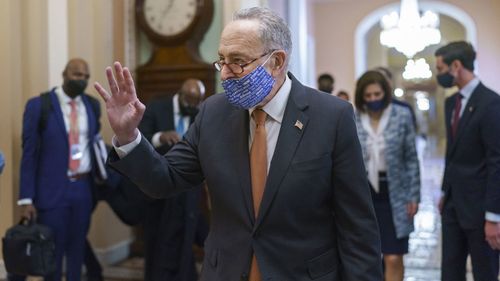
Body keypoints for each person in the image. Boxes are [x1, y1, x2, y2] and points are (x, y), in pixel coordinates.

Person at [95, 7, 382, 281]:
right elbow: (164, 179)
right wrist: (128, 136)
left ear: (277, 61)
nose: (225, 73)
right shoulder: (213, 113)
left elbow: (356, 227)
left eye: (238, 61)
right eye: (222, 60)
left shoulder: (332, 117)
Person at [16, 58, 101, 281]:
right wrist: (26, 199)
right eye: (76, 75)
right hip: (52, 191)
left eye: (85, 76)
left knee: (77, 250)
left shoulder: (92, 106)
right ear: (64, 74)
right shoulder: (39, 106)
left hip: (82, 190)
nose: (81, 80)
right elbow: (29, 154)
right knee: (52, 254)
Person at [435, 41, 500, 281]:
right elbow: (452, 153)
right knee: (450, 272)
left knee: (484, 272)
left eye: (440, 69)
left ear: (456, 66)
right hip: (453, 205)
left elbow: (497, 162)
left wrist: (494, 216)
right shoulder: (451, 102)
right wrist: (444, 191)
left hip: (481, 209)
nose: (438, 75)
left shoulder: (491, 103)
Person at [138, 79, 208, 281]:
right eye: (192, 102)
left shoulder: (201, 113)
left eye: (199, 102)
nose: (195, 106)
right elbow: (139, 139)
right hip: (158, 189)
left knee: (185, 238)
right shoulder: (157, 107)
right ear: (182, 95)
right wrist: (161, 137)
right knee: (159, 240)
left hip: (188, 189)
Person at [354, 70, 420, 281]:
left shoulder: (401, 115)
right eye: (368, 95)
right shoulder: (353, 118)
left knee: (393, 256)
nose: (373, 99)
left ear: (385, 92)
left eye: (377, 94)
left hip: (395, 193)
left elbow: (411, 157)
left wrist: (413, 195)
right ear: (362, 97)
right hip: (364, 194)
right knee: (368, 256)